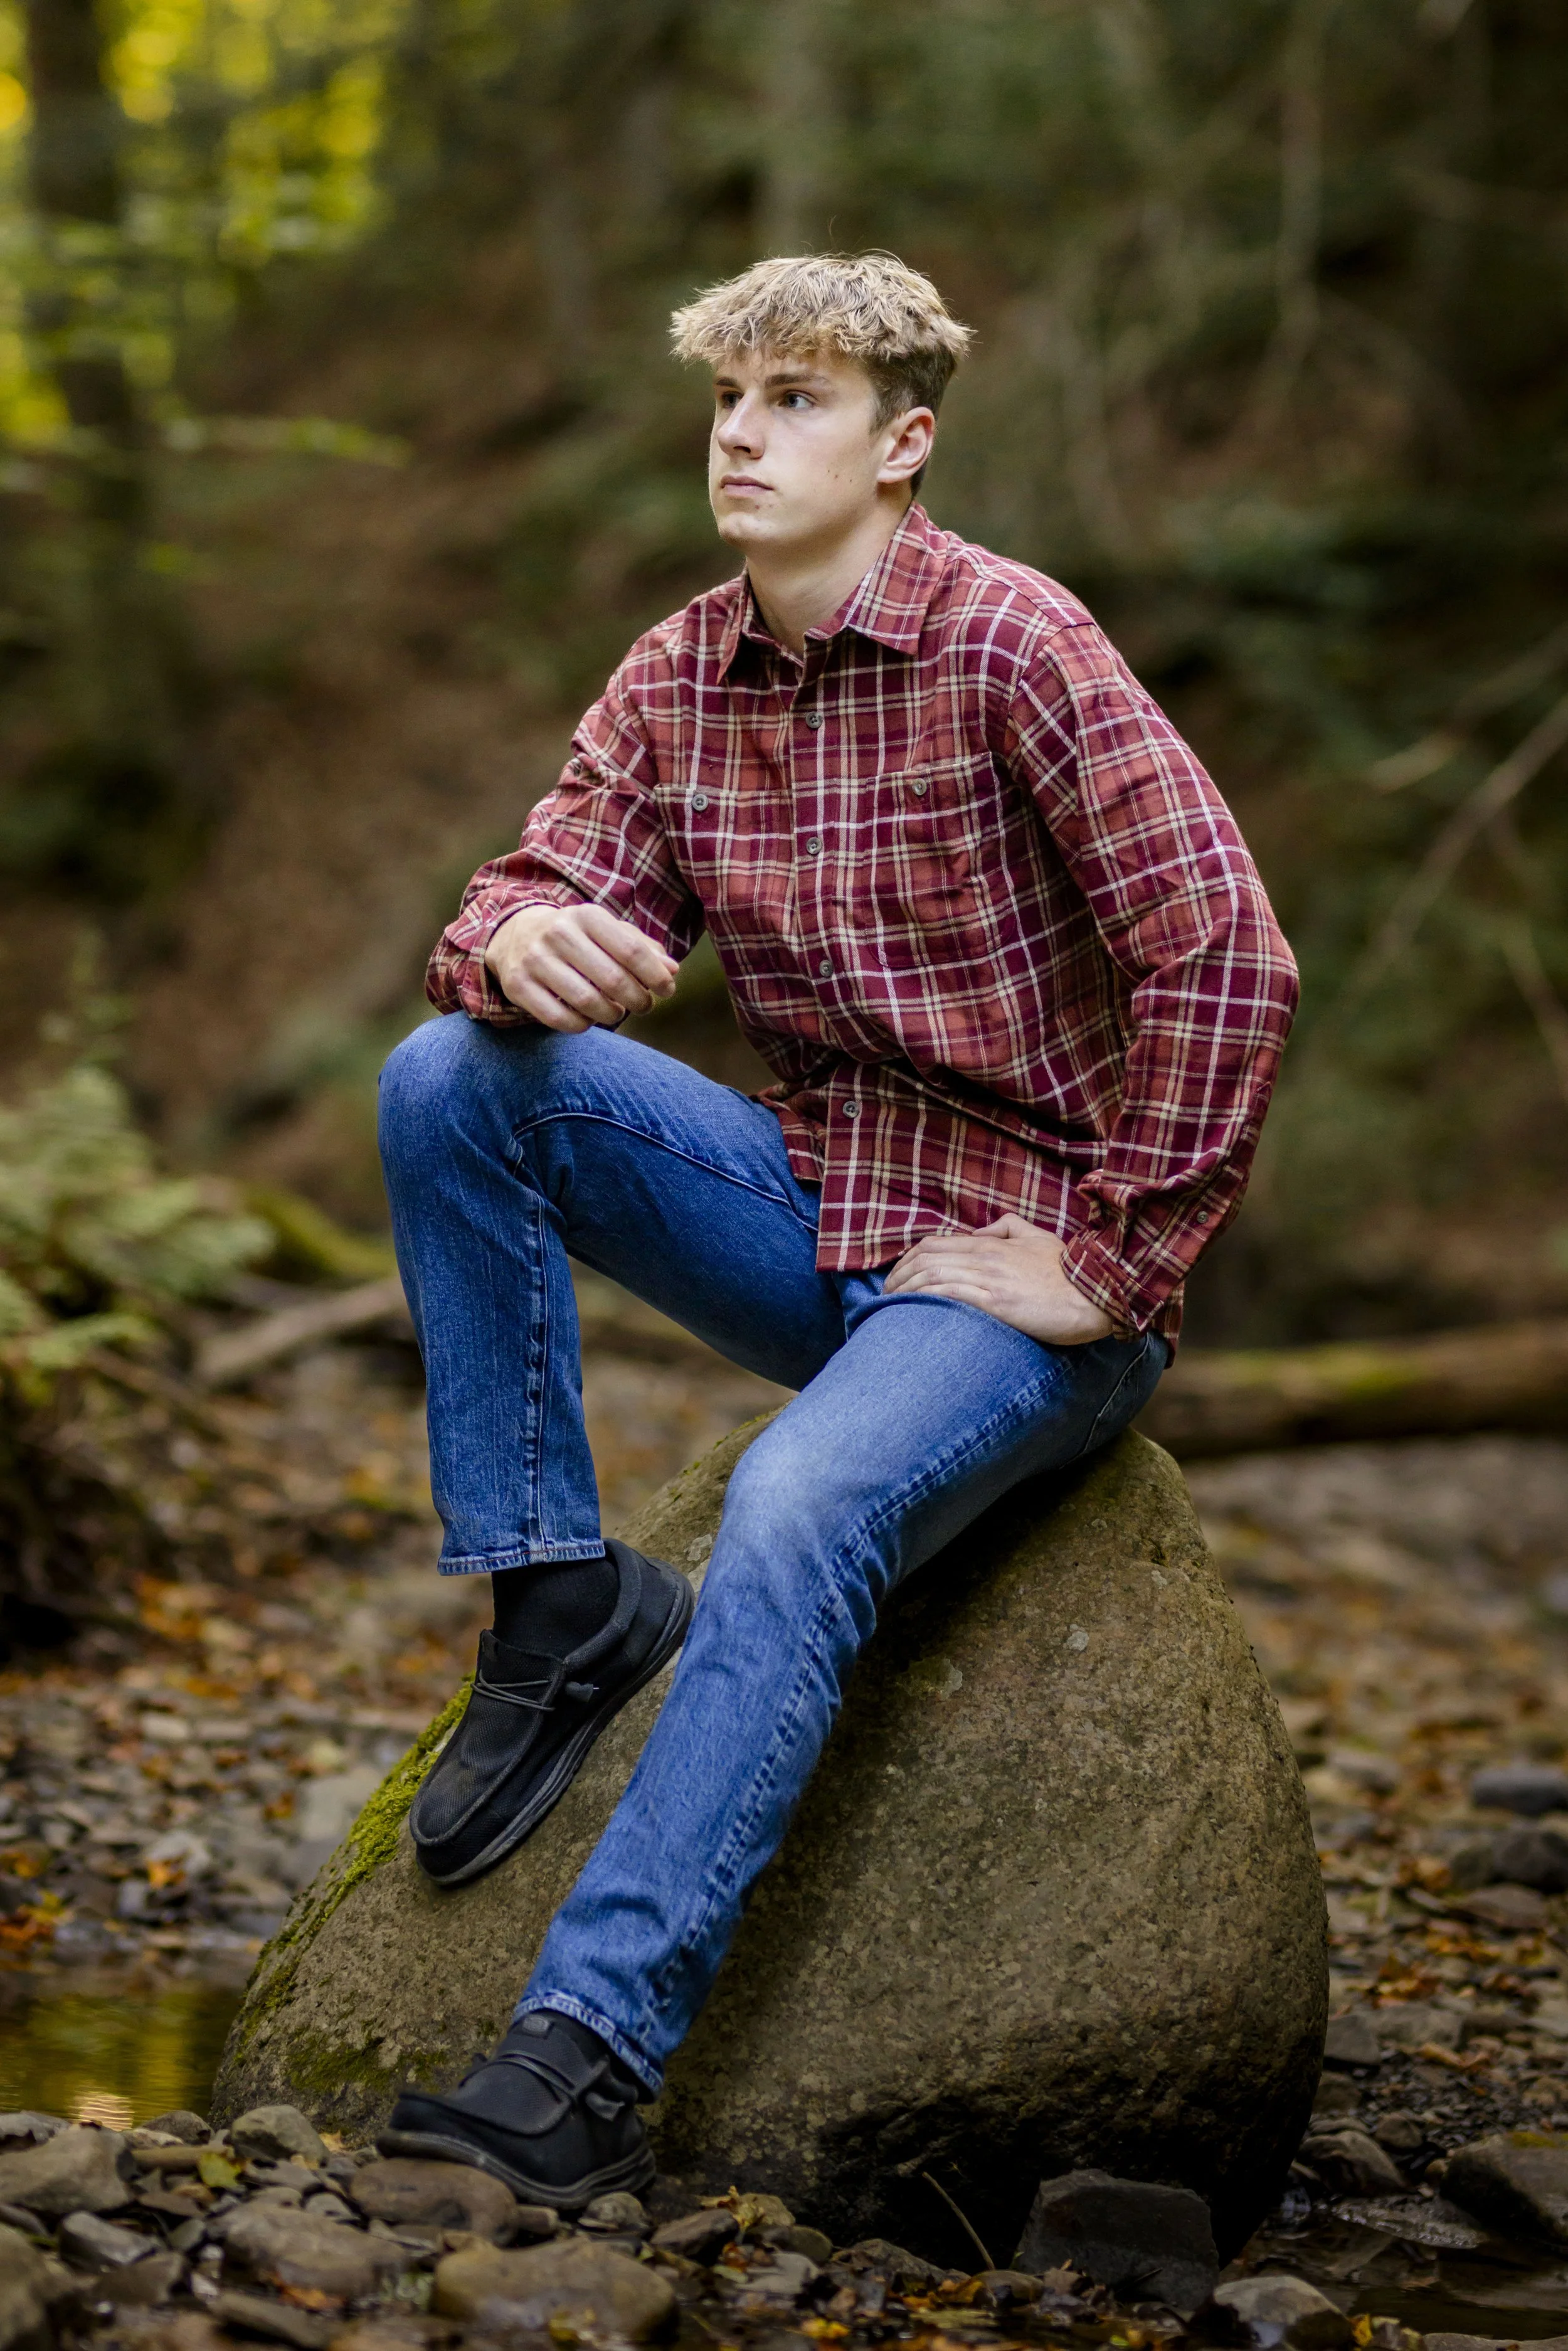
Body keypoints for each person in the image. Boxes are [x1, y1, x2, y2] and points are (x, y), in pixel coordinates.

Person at [374, 252, 1298, 2206]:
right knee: (446, 1075)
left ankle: (585, 2052)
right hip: (814, 1212)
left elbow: (1223, 954)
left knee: (797, 1505)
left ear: (904, 443)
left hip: (1024, 1287)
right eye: (727, 395)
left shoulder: (1016, 643)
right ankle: (556, 1598)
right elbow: (528, 888)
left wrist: (1112, 1259)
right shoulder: (677, 671)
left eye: (793, 399)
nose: (739, 431)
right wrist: (517, 941)